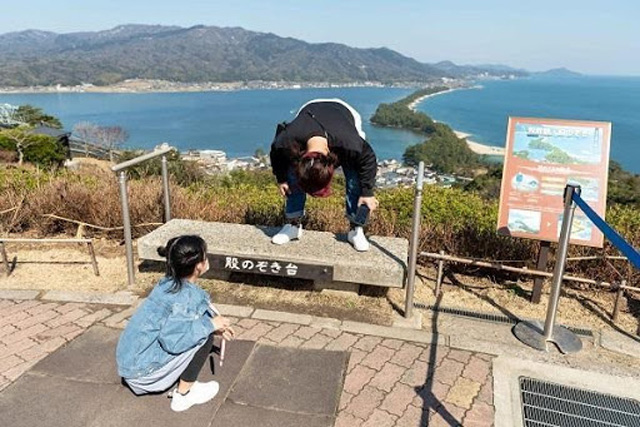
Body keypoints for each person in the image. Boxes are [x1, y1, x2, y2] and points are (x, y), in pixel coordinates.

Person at [115, 235, 235, 412]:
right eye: (205, 255)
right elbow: (173, 341)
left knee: (204, 326)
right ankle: (184, 394)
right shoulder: (185, 298)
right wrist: (211, 326)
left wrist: (213, 324)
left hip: (130, 365)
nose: (207, 258)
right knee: (204, 334)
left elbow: (178, 321)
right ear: (198, 266)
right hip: (143, 374)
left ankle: (182, 385)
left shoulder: (167, 284)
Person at [269, 98, 379, 251]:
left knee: (354, 177)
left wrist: (367, 192)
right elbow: (276, 153)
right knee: (292, 176)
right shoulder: (287, 139)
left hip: (344, 113)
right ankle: (292, 224)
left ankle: (355, 229)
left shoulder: (350, 143)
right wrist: (282, 179)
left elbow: (368, 159)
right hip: (309, 111)